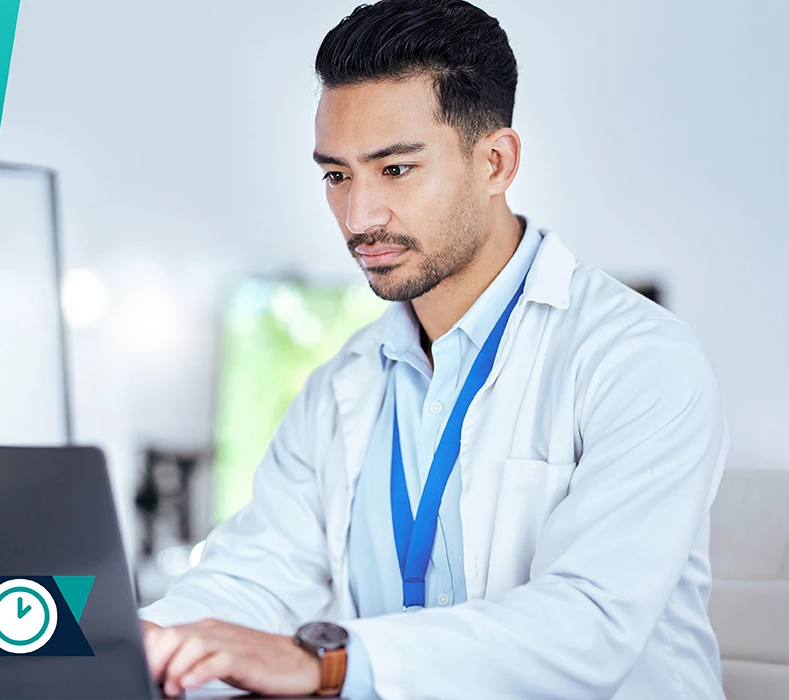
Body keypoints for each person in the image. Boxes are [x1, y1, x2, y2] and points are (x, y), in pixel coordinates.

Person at [138, 1, 729, 698]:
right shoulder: (341, 386)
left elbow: (588, 626)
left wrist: (329, 663)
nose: (358, 217)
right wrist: (124, 642)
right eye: (336, 175)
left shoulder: (639, 361)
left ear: (496, 162)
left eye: (394, 169)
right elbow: (250, 581)